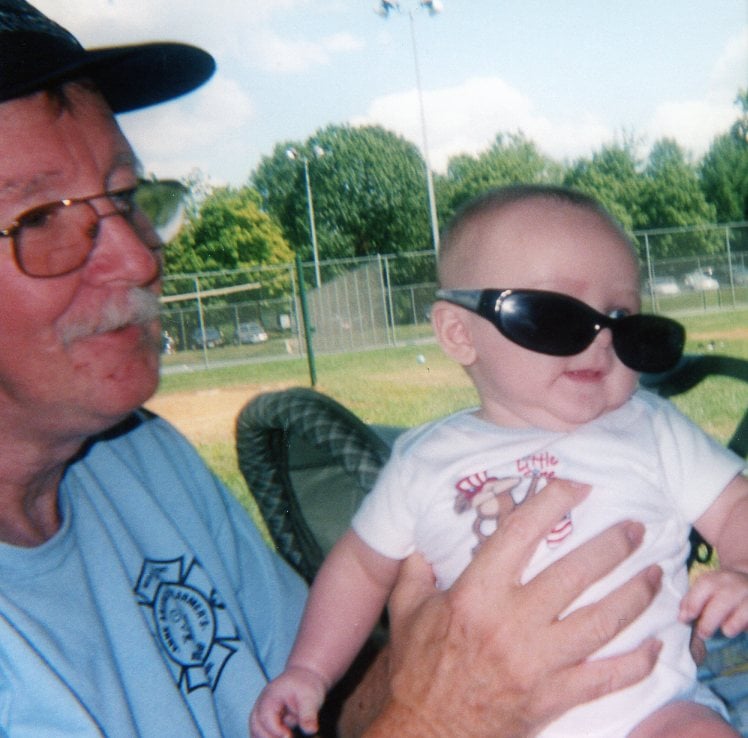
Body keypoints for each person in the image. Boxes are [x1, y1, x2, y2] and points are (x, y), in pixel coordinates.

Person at [0, 2, 665, 735]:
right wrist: (435, 721)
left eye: (126, 199)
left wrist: (494, 654)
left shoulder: (140, 461)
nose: (136, 257)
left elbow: (327, 709)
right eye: (41, 219)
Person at [251, 184, 748, 738]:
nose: (602, 339)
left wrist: (742, 571)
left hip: (653, 710)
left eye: (621, 317)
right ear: (459, 334)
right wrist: (310, 670)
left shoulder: (650, 427)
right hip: (487, 721)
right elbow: (360, 570)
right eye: (555, 317)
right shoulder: (425, 460)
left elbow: (735, 509)